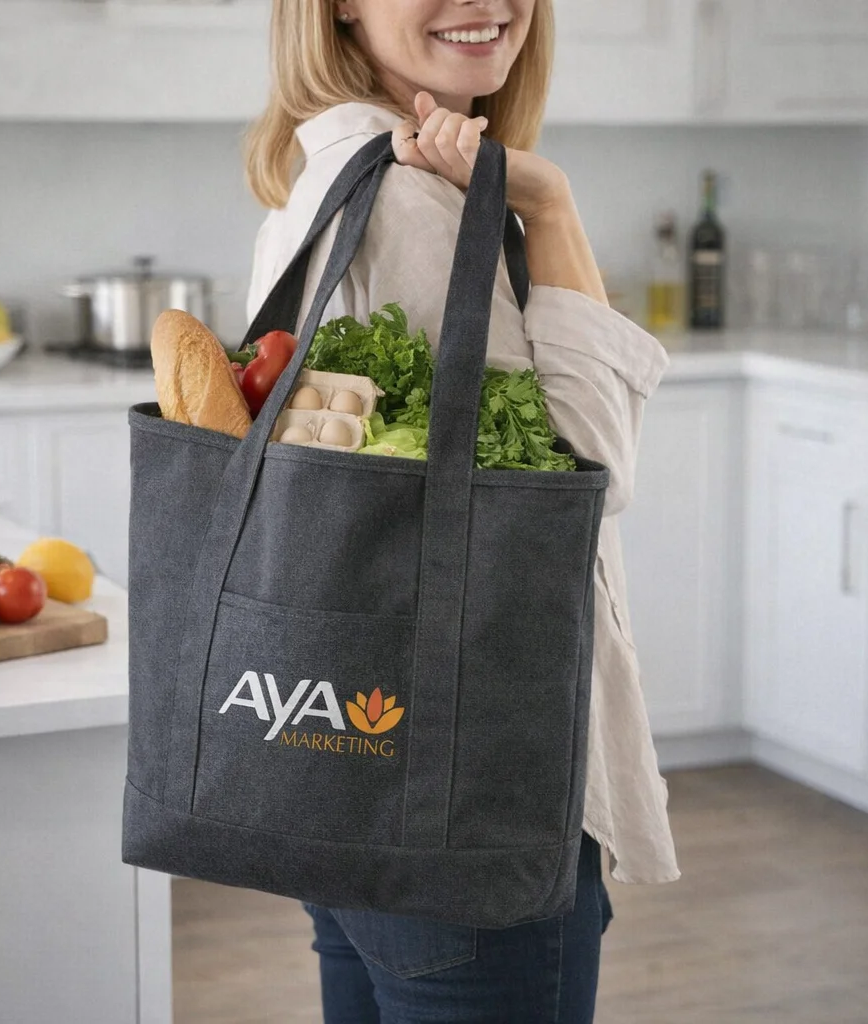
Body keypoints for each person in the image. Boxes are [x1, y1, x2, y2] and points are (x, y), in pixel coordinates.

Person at [244, 1, 680, 1020]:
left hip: (348, 761)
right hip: (468, 790)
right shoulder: (412, 199)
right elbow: (581, 476)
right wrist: (556, 211)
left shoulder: (325, 173)